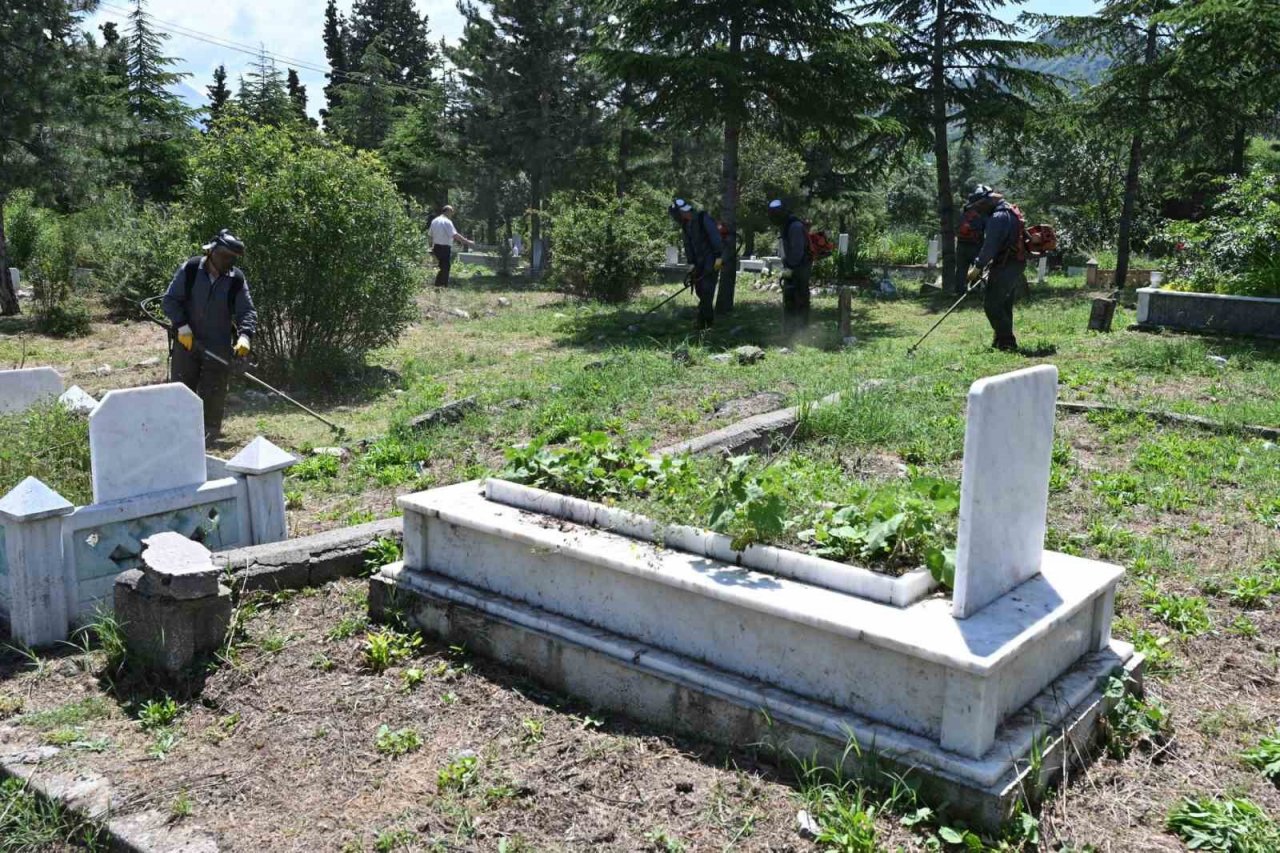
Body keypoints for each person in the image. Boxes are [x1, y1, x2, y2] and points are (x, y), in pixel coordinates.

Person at [162, 229, 257, 438]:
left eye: (232, 258)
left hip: (218, 345)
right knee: (181, 390)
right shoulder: (191, 269)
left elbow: (247, 311)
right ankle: (179, 435)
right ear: (212, 252)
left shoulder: (236, 279)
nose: (228, 261)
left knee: (214, 392)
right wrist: (182, 326)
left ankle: (210, 435)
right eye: (225, 256)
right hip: (187, 342)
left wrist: (245, 336)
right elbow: (169, 301)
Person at [965, 188, 1026, 352]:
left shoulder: (998, 217)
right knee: (1004, 304)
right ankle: (1000, 340)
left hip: (1006, 265)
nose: (978, 211)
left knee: (991, 305)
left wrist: (977, 267)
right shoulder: (1009, 211)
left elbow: (990, 246)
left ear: (986, 202)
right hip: (1014, 263)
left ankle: (1007, 342)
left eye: (978, 207)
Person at [669, 198, 723, 328]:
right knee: (700, 289)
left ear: (681, 212)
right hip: (699, 263)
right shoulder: (686, 226)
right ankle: (705, 320)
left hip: (714, 259)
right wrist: (692, 265)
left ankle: (705, 322)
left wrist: (718, 262)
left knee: (707, 289)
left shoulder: (702, 218)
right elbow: (688, 246)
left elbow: (716, 239)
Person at [768, 199, 812, 332]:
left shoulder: (794, 226)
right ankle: (789, 328)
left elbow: (797, 252)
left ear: (782, 213)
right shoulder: (785, 225)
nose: (773, 218)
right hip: (791, 266)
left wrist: (790, 268)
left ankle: (801, 329)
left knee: (800, 297)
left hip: (800, 267)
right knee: (789, 296)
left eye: (775, 214)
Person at [954, 185, 990, 296]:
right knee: (977, 268)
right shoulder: (982, 213)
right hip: (976, 246)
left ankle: (959, 291)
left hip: (961, 245)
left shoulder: (964, 210)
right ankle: (975, 290)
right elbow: (988, 229)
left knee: (961, 269)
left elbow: (957, 226)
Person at [429, 205, 475, 288]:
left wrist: (431, 247)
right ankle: (442, 286)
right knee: (445, 267)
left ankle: (438, 286)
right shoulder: (447, 222)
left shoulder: (434, 221)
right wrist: (467, 242)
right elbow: (455, 235)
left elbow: (430, 235)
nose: (452, 214)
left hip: (436, 247)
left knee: (441, 267)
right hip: (444, 248)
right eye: (451, 212)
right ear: (447, 211)